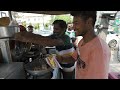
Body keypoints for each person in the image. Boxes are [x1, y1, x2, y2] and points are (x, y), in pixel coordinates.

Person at [56, 11, 111, 79]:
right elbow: (74, 57)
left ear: (89, 22)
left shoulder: (99, 49)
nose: (73, 27)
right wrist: (60, 59)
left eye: (76, 23)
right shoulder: (81, 42)